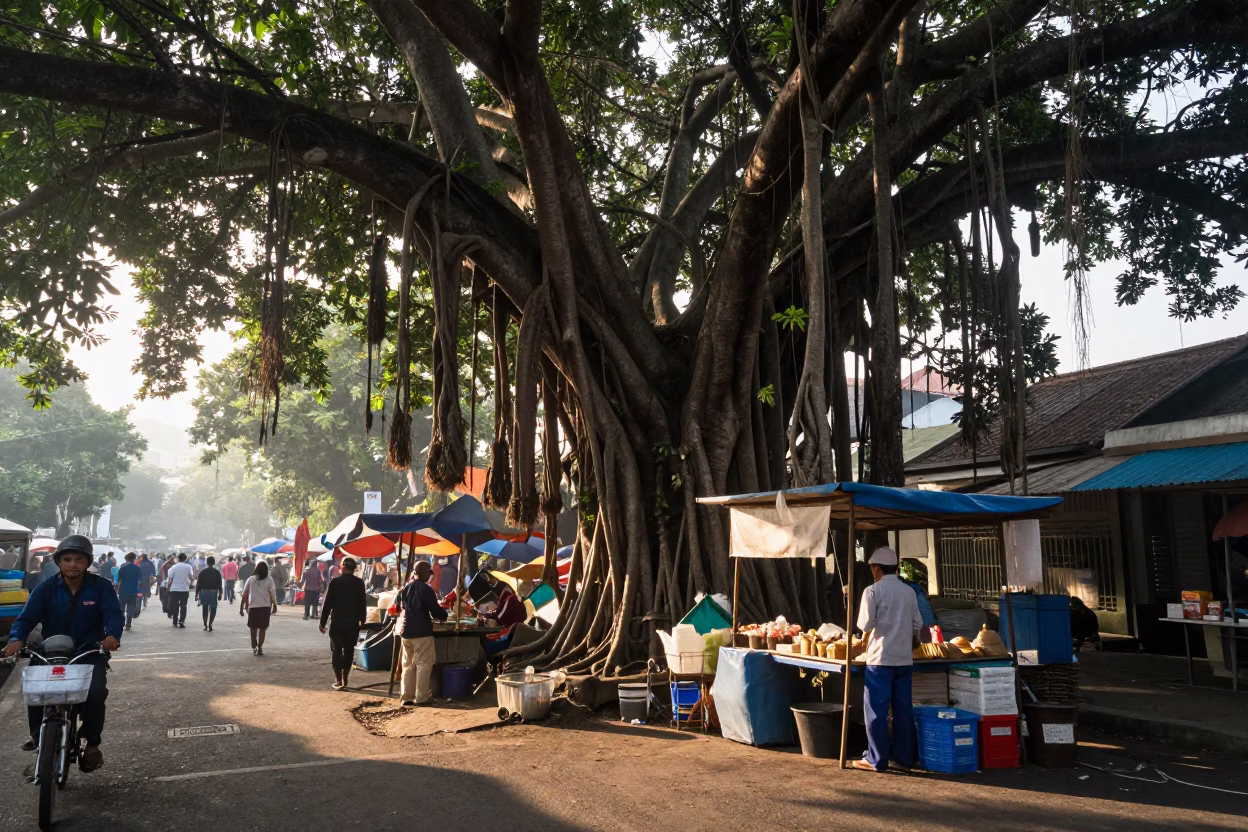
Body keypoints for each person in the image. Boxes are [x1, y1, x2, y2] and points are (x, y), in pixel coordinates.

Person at [4, 535, 122, 771]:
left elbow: (114, 614)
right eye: (67, 559)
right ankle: (40, 739)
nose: (72, 565)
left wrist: (112, 635)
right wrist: (16, 638)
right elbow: (27, 617)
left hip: (87, 652)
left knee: (96, 693)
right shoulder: (45, 588)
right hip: (50, 652)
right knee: (36, 690)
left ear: (87, 562)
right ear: (59, 562)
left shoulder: (101, 587)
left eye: (78, 560)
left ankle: (92, 744)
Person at [852, 546, 923, 773]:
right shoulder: (909, 592)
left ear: (876, 569)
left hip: (879, 660)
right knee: (903, 710)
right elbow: (917, 625)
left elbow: (865, 625)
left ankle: (876, 759)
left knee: (876, 711)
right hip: (903, 659)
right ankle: (904, 758)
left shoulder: (872, 592)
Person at [397, 561, 448, 706]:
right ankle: (421, 698)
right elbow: (435, 610)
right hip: (422, 632)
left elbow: (401, 605)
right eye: (429, 573)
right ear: (425, 573)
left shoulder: (406, 587)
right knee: (423, 665)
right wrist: (443, 615)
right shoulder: (426, 589)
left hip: (406, 632)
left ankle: (406, 697)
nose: (430, 577)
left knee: (408, 665)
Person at [320, 557, 368, 690]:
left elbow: (327, 604)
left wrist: (322, 622)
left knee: (336, 649)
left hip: (337, 622)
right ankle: (345, 677)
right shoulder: (359, 583)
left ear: (342, 567)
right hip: (352, 622)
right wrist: (363, 620)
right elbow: (362, 604)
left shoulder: (335, 582)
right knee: (348, 650)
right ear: (354, 569)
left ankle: (338, 680)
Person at [240, 559, 278, 655]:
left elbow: (245, 594)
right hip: (265, 607)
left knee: (253, 628)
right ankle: (260, 647)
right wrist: (275, 605)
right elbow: (272, 594)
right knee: (262, 629)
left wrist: (241, 607)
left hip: (253, 607)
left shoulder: (251, 579)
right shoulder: (269, 579)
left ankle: (254, 644)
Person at [115, 552, 143, 631]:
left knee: (122, 608)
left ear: (126, 559)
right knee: (130, 607)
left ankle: (122, 622)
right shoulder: (137, 568)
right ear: (134, 559)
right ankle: (128, 623)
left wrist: (117, 591)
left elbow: (119, 581)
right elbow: (140, 580)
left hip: (123, 591)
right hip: (133, 591)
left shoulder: (122, 568)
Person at [166, 553, 194, 629]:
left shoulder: (173, 567)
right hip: (184, 589)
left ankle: (175, 620)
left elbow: (170, 578)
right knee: (183, 606)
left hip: (174, 589)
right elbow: (191, 577)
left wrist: (168, 589)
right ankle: (181, 621)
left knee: (175, 605)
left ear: (178, 558)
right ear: (185, 559)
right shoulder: (188, 567)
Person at [197, 555, 224, 631]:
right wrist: (220, 593)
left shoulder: (202, 572)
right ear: (214, 563)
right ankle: (210, 623)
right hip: (213, 592)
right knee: (213, 609)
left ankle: (205, 624)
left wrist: (197, 594)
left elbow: (198, 584)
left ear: (207, 562)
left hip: (204, 592)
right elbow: (220, 584)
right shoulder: (217, 572)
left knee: (204, 608)